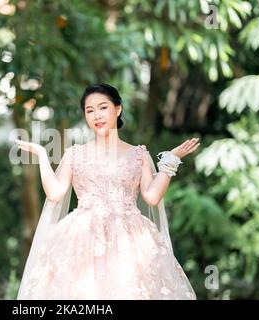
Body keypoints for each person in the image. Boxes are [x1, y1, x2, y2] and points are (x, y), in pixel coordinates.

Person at [14, 83, 200, 299]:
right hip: (81, 241)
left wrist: (171, 160)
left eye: (103, 107)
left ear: (118, 109)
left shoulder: (138, 154)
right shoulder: (74, 154)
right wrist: (42, 154)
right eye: (89, 110)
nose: (96, 116)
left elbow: (151, 196)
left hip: (130, 243)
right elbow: (55, 193)